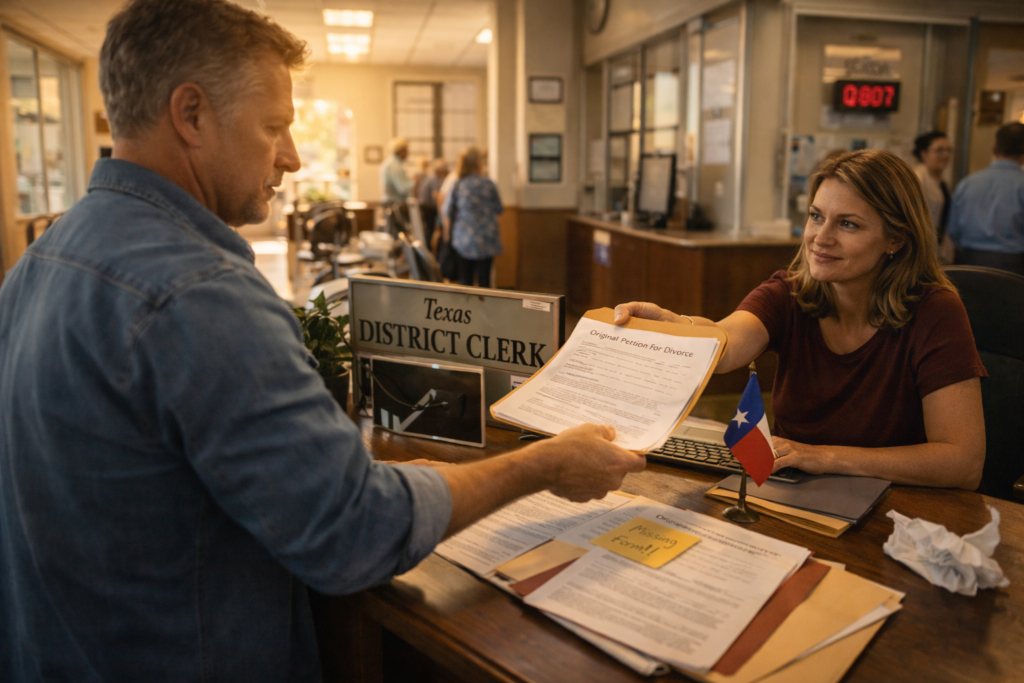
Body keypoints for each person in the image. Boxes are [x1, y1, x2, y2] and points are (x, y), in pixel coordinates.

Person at [0, 1, 644, 680]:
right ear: (190, 114)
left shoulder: (37, 263)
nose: (293, 157)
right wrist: (541, 464)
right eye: (273, 126)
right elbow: (354, 530)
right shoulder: (200, 293)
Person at [615, 149, 986, 489]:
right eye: (816, 217)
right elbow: (725, 343)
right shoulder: (789, 292)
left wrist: (824, 456)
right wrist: (671, 325)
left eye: (848, 224)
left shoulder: (936, 312)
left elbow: (963, 462)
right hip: (794, 490)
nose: (820, 238)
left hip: (895, 505)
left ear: (896, 239)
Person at [947, 121, 1024, 275]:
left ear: (994, 149)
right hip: (1014, 266)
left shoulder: (968, 183)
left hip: (968, 263)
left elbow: (953, 230)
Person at [442, 146, 504, 288]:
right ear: (479, 163)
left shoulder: (457, 185)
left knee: (465, 282)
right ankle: (485, 310)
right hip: (487, 240)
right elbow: (499, 209)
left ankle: (466, 310)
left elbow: (447, 211)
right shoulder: (489, 184)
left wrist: (446, 234)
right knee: (484, 282)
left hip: (463, 240)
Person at [911, 131, 955, 263]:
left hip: (938, 249)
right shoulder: (918, 179)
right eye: (939, 150)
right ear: (924, 154)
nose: (945, 155)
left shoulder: (942, 180)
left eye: (948, 150)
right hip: (921, 250)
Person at [417, 158, 448, 251]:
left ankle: (429, 249)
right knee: (431, 229)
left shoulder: (431, 177)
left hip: (426, 206)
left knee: (429, 229)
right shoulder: (433, 178)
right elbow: (435, 196)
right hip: (428, 207)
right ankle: (429, 250)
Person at [380, 136, 414, 203]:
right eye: (406, 150)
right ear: (400, 151)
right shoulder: (394, 166)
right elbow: (402, 188)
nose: (407, 153)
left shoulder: (391, 163)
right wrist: (415, 183)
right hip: (395, 203)